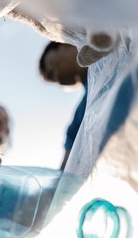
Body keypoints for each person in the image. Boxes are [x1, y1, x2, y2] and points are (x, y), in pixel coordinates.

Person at [39, 42, 88, 170]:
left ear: (64, 44)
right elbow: (69, 159)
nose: (54, 75)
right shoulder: (82, 108)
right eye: (51, 77)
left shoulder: (113, 56)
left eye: (49, 63)